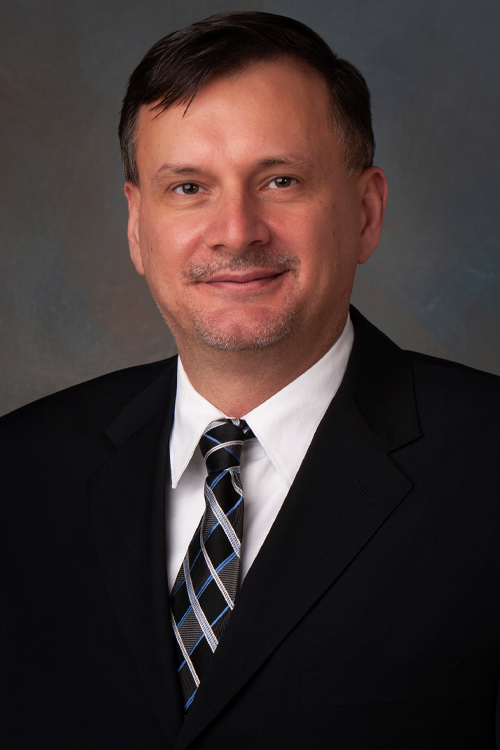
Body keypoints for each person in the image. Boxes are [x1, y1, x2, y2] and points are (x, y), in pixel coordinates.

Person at [1, 11, 499, 750]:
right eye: (189, 187)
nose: (237, 230)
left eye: (281, 179)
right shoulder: (20, 471)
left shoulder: (486, 464)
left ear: (365, 212)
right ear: (138, 227)